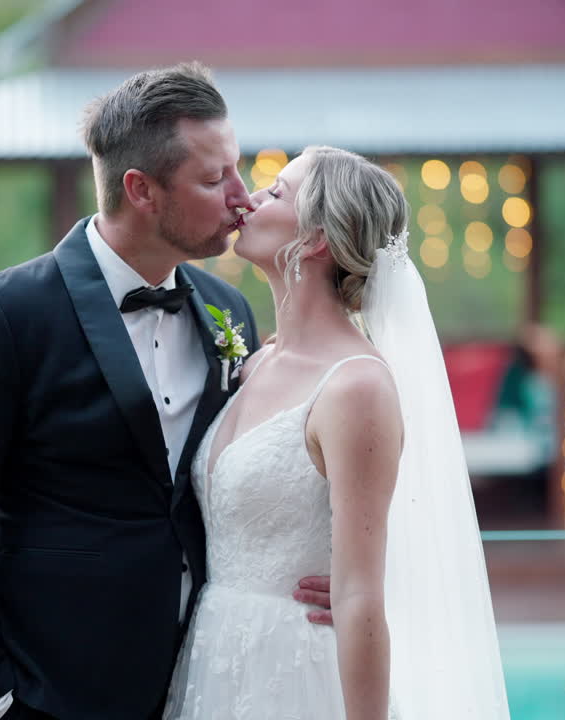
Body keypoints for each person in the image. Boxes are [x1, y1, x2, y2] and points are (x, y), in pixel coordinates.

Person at [0, 63, 332, 720]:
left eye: (239, 171)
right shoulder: (0, 317)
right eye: (215, 179)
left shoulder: (230, 313)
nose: (242, 197)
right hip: (44, 694)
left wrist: (333, 572)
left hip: (202, 685)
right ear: (141, 190)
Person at [163, 147, 511, 719]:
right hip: (215, 661)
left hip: (297, 673)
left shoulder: (356, 388)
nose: (248, 199)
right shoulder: (254, 363)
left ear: (317, 238)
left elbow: (360, 596)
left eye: (276, 192)